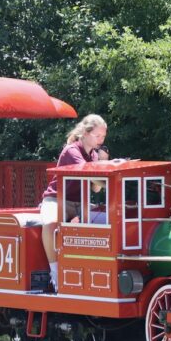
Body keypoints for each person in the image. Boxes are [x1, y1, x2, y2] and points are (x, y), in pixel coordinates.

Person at [40, 114, 107, 291]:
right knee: (50, 223)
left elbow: (95, 189)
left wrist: (103, 165)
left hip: (81, 203)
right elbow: (87, 174)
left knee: (104, 221)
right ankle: (54, 273)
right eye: (97, 136)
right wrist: (106, 177)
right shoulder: (71, 150)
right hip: (56, 199)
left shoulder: (93, 155)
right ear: (85, 133)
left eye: (103, 136)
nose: (101, 140)